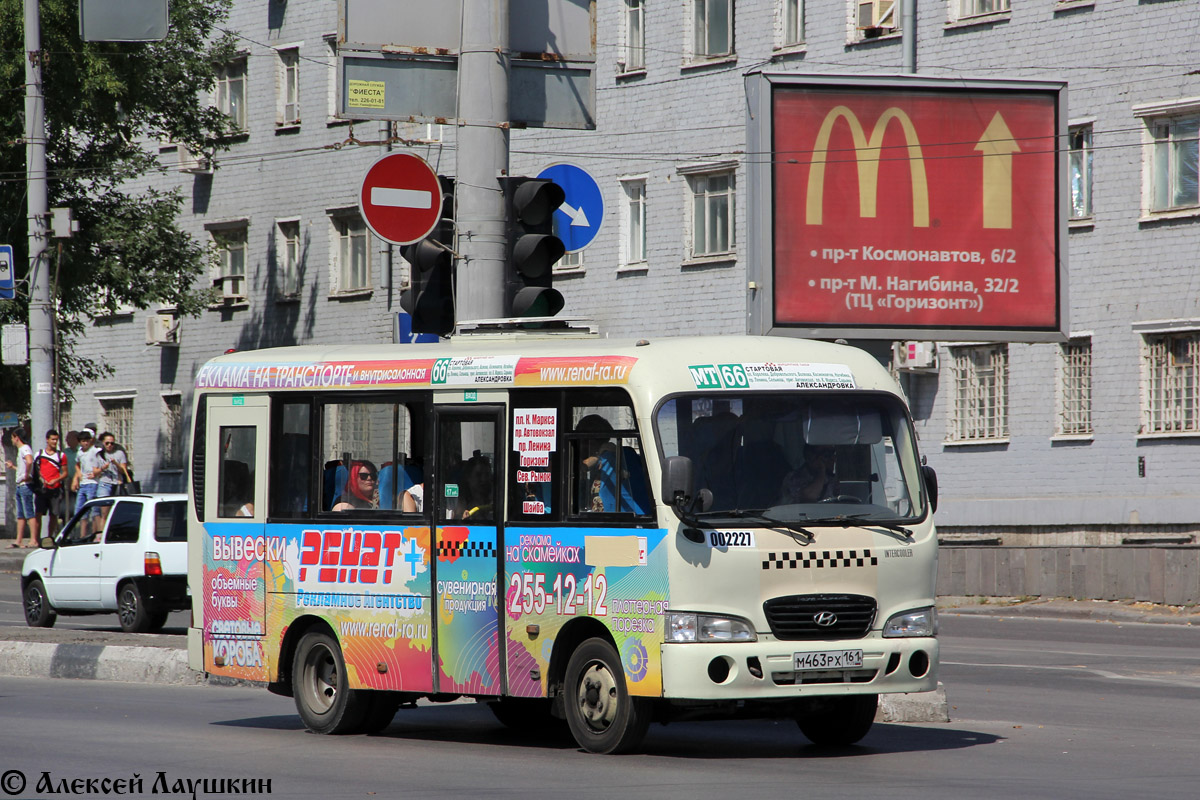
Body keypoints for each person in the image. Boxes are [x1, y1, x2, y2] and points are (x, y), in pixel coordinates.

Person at [33, 429, 68, 539]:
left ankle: (49, 537)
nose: (54, 442)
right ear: (47, 440)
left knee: (53, 514)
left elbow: (65, 473)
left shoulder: (61, 455)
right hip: (42, 490)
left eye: (56, 440)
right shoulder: (39, 454)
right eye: (52, 439)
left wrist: (56, 480)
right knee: (38, 513)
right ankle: (37, 538)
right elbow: (35, 471)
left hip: (55, 489)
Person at [5, 427, 37, 548]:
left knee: (29, 512)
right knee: (21, 514)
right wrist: (13, 467)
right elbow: (23, 467)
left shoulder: (25, 448)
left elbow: (29, 461)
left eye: (13, 438)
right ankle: (19, 540)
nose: (12, 440)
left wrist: (27, 475)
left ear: (17, 438)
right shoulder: (21, 450)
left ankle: (33, 539)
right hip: (20, 485)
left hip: (25, 486)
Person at [71, 429, 103, 534]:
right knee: (80, 511)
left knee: (94, 510)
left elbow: (103, 465)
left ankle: (97, 534)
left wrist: (96, 473)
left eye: (87, 440)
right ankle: (82, 535)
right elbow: (77, 464)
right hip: (83, 484)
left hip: (92, 483)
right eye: (83, 441)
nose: (85, 443)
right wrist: (78, 473)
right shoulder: (80, 452)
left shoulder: (95, 451)